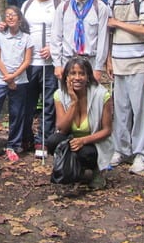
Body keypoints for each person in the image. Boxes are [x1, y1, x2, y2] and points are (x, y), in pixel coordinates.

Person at [105, 0, 144, 174]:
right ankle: (121, 149)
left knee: (141, 110)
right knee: (121, 110)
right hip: (118, 63)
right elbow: (108, 31)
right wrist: (108, 59)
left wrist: (118, 23)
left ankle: (142, 154)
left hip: (139, 62)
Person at [46, 57, 113, 189]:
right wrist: (74, 102)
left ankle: (96, 171)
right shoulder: (59, 95)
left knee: (85, 153)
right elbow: (62, 128)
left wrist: (83, 140)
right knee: (53, 141)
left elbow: (107, 131)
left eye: (81, 73)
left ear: (88, 77)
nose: (77, 78)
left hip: (93, 142)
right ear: (66, 77)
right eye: (73, 73)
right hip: (71, 139)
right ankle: (73, 169)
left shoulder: (102, 95)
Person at [0, 6, 33, 162]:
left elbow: (27, 61)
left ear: (19, 19)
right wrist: (8, 77)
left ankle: (13, 145)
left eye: (14, 15)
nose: (10, 17)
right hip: (1, 79)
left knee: (17, 113)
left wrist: (14, 77)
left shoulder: (26, 38)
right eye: (7, 15)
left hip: (20, 81)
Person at [21, 0, 60, 159]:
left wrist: (53, 47)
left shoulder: (59, 6)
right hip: (29, 62)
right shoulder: (27, 5)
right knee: (27, 103)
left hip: (50, 63)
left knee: (48, 102)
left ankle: (44, 139)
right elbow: (19, 30)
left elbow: (65, 31)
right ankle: (26, 137)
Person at [51, 0, 110, 83]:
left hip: (90, 63)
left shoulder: (100, 7)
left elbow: (103, 40)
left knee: (89, 99)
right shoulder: (63, 7)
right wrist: (57, 64)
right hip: (67, 62)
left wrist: (98, 68)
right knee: (67, 99)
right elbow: (56, 37)